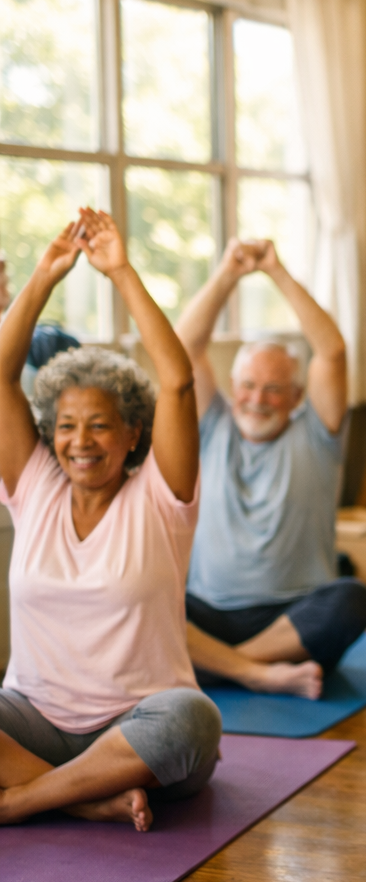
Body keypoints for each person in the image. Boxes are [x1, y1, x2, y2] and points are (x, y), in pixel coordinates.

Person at [0, 209, 221, 832]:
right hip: (32, 722)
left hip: (138, 727)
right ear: (50, 434)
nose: (81, 442)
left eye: (100, 425)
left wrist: (120, 271)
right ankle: (84, 797)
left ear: (132, 434)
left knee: (194, 720)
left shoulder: (161, 497)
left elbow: (176, 381)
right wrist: (44, 274)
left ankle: (20, 799)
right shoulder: (35, 487)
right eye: (67, 426)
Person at [175, 239, 366, 700]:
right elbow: (183, 348)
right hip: (208, 613)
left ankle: (216, 666)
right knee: (145, 598)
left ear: (296, 395)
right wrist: (227, 274)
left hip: (293, 617)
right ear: (231, 386)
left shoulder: (317, 431)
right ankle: (258, 672)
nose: (257, 399)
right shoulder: (212, 425)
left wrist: (277, 272)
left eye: (273, 389)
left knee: (351, 601)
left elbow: (333, 352)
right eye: (248, 386)